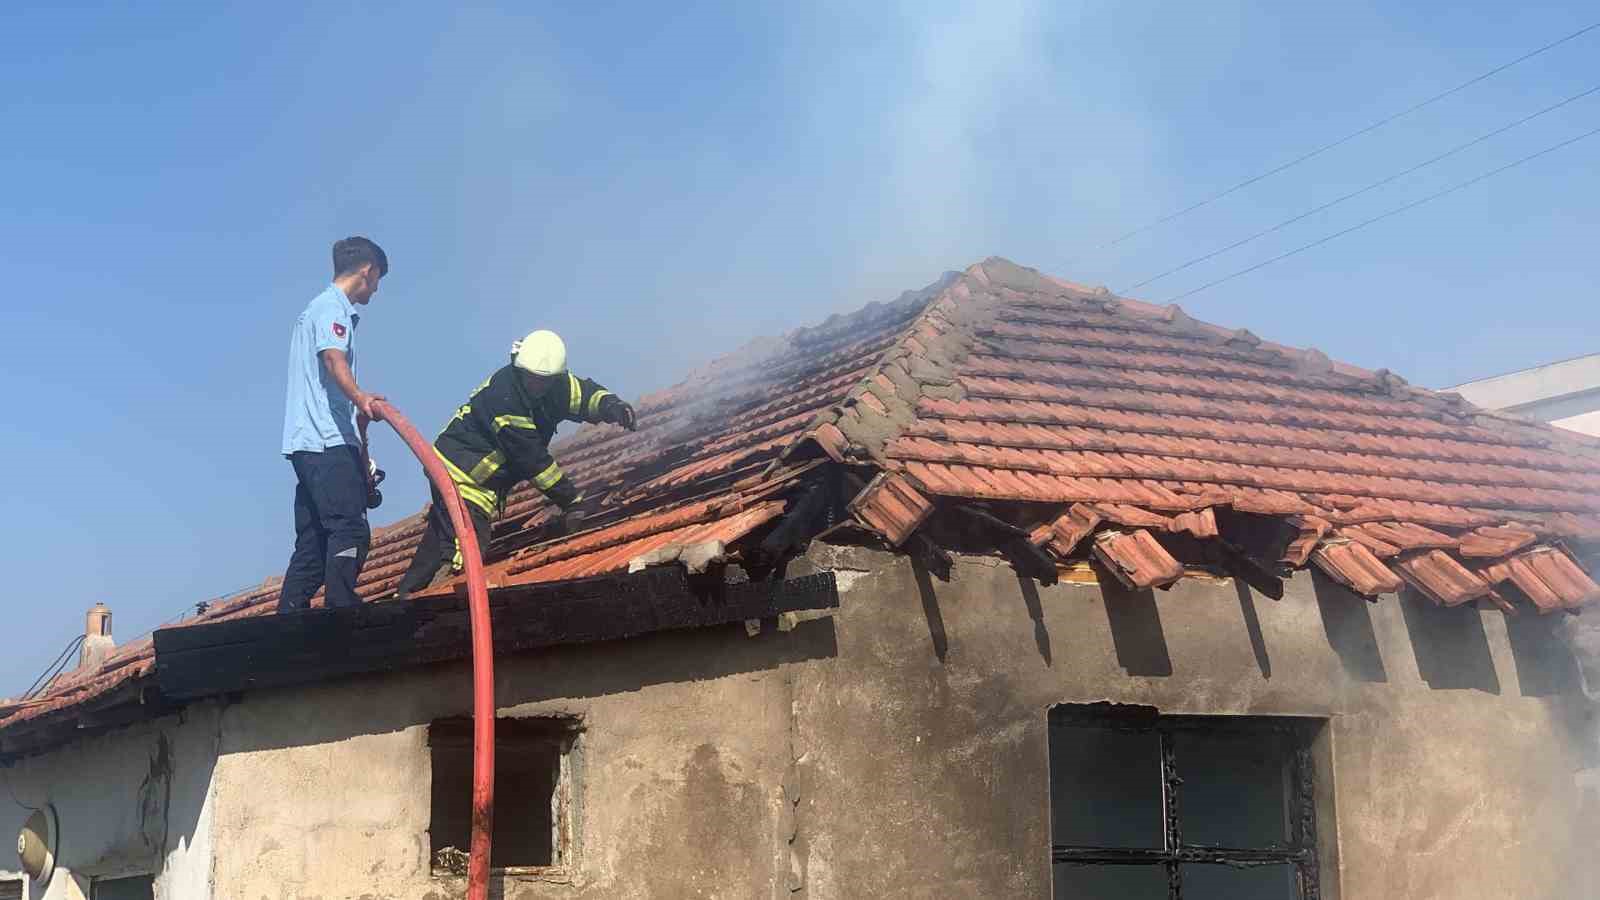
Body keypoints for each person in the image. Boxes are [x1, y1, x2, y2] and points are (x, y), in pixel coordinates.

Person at [393, 329, 637, 599]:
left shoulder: (558, 384)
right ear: (518, 367)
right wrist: (571, 500)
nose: (536, 386)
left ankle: (404, 598)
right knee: (467, 550)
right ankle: (443, 604)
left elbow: (586, 395)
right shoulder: (504, 396)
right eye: (530, 378)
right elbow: (532, 461)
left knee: (437, 543)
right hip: (461, 476)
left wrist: (612, 407)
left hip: (477, 480)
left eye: (543, 380)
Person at [278, 237, 389, 612]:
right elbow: (332, 359)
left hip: (308, 445)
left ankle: (287, 620)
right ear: (368, 271)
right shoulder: (331, 309)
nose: (376, 289)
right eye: (377, 280)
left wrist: (360, 432)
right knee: (350, 528)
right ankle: (342, 609)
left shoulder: (314, 310)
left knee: (314, 543)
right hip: (326, 441)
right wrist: (361, 397)